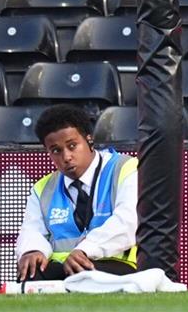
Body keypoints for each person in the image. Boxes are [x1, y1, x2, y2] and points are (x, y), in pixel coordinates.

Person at [15, 105, 139, 281]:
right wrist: (32, 250)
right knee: (31, 271)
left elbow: (127, 223)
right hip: (63, 267)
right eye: (56, 150)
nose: (66, 157)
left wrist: (86, 250)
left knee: (84, 274)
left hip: (113, 264)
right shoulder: (43, 188)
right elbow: (32, 230)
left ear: (89, 140)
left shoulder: (125, 168)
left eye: (72, 146)